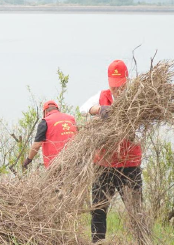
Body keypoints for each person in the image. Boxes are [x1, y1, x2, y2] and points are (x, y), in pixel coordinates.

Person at [79, 60, 142, 243]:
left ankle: (141, 241)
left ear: (127, 81)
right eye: (114, 86)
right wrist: (99, 109)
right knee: (98, 209)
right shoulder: (102, 96)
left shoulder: (137, 97)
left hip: (129, 165)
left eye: (120, 86)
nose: (117, 90)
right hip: (104, 164)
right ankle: (98, 242)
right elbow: (83, 109)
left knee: (136, 210)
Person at [23, 100, 77, 169]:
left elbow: (36, 145)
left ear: (45, 111)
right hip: (74, 160)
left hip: (56, 165)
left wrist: (28, 159)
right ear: (57, 109)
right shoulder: (71, 119)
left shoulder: (45, 121)